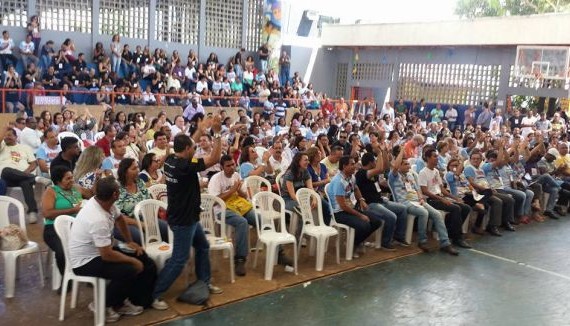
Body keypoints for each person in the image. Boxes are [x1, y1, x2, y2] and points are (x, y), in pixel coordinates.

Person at [152, 116, 224, 310]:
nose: (195, 148)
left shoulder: (171, 160)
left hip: (186, 216)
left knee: (202, 246)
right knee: (179, 258)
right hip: (184, 220)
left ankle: (204, 282)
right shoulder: (186, 166)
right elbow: (215, 158)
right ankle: (155, 294)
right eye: (192, 148)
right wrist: (216, 132)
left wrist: (200, 129)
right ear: (187, 151)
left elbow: (188, 143)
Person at [69, 177, 157, 322]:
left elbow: (120, 219)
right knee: (129, 268)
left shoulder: (104, 203)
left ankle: (133, 299)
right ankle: (102, 305)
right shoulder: (97, 218)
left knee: (141, 256)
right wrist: (132, 262)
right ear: (115, 194)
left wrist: (129, 242)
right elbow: (107, 255)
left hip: (100, 251)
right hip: (85, 262)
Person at [388, 146, 459, 255]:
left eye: (408, 163)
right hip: (404, 202)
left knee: (437, 214)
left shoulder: (411, 175)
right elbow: (396, 166)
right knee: (423, 213)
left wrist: (421, 198)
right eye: (405, 164)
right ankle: (422, 241)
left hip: (418, 201)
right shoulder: (394, 176)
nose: (409, 166)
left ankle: (445, 243)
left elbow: (417, 189)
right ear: (399, 166)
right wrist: (402, 150)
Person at [207, 155, 259, 277]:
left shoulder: (236, 176)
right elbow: (213, 201)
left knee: (260, 219)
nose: (231, 168)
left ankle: (278, 252)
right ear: (222, 167)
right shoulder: (216, 179)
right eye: (228, 166)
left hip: (238, 206)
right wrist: (231, 190)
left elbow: (244, 197)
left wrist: (239, 190)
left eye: (233, 165)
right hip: (222, 210)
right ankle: (240, 259)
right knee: (242, 223)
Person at [328, 156, 383, 258]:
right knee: (364, 225)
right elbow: (343, 206)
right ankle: (352, 245)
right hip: (339, 213)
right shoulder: (338, 181)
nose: (355, 166)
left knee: (376, 221)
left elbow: (356, 187)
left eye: (355, 163)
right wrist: (360, 215)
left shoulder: (351, 177)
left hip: (351, 209)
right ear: (344, 166)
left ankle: (357, 241)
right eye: (352, 164)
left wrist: (361, 200)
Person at [418, 148, 472, 249]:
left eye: (437, 156)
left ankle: (451, 231)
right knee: (456, 208)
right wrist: (441, 199)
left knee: (466, 208)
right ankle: (457, 238)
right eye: (434, 156)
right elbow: (425, 191)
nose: (437, 158)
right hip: (431, 200)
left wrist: (454, 198)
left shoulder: (436, 171)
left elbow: (442, 189)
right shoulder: (423, 172)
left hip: (439, 197)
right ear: (428, 158)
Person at [356, 152, 409, 249]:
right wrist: (379, 152)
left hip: (380, 201)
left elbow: (384, 168)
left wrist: (384, 152)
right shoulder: (361, 173)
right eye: (375, 161)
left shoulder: (373, 173)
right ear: (370, 162)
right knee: (392, 216)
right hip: (370, 204)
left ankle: (398, 236)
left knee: (402, 209)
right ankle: (385, 242)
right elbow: (380, 169)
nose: (376, 162)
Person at [0, 127, 51, 223]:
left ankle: (32, 212)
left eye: (10, 135)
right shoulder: (2, 147)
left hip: (23, 175)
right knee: (6, 170)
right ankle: (36, 178)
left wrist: (26, 173)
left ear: (16, 137)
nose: (7, 137)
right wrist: (4, 130)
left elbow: (33, 163)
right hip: (6, 178)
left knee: (25, 181)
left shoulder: (25, 148)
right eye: (5, 135)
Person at [41, 166, 83, 279]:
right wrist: (72, 210)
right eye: (68, 179)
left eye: (72, 177)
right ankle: (67, 278)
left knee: (91, 245)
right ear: (58, 181)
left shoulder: (76, 188)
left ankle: (87, 274)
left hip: (76, 227)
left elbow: (94, 194)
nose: (72, 180)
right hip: (54, 228)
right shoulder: (51, 191)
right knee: (62, 250)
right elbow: (47, 213)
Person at [115, 158, 169, 245]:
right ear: (124, 172)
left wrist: (150, 219)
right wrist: (141, 224)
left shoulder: (140, 182)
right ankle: (144, 257)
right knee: (141, 237)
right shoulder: (117, 189)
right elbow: (118, 217)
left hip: (144, 218)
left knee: (166, 228)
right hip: (126, 223)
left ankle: (166, 255)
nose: (137, 171)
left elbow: (148, 202)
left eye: (137, 167)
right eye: (133, 169)